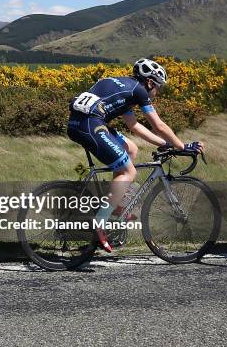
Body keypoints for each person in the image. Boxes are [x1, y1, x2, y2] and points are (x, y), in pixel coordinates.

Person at [67, 58, 204, 252]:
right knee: (128, 172)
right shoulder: (138, 91)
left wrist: (167, 144)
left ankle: (115, 206)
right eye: (157, 88)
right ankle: (100, 222)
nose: (157, 93)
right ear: (149, 82)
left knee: (131, 149)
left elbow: (135, 126)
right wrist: (182, 146)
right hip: (89, 125)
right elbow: (159, 126)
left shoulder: (123, 85)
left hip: (82, 123)